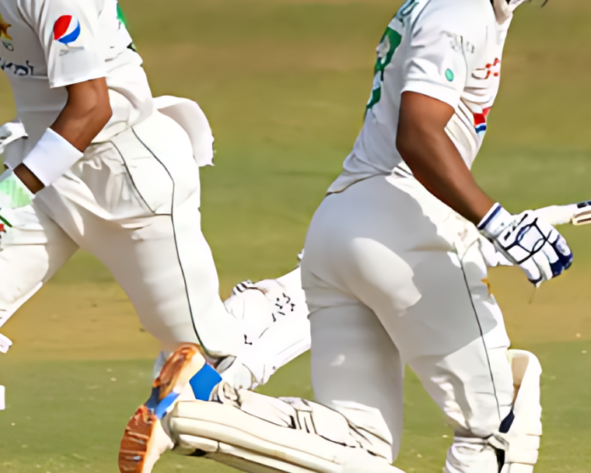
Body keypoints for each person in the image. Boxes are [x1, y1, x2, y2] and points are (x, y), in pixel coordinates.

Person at [120, 0, 567, 472]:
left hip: (347, 225)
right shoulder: (461, 9)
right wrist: (493, 220)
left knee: (358, 443)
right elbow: (417, 133)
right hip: (401, 225)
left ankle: (200, 405)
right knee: (500, 428)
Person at [0, 1, 310, 472]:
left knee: (205, 372)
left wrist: (11, 191)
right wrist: (36, 138)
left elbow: (94, 105)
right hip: (51, 171)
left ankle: (290, 302)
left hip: (128, 180)